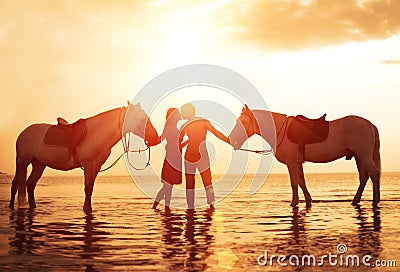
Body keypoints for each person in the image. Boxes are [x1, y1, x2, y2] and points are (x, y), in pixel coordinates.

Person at [179, 103, 230, 211]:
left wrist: (229, 141)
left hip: (198, 156)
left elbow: (178, 143)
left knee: (201, 182)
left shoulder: (195, 123)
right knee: (200, 182)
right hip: (193, 156)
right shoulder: (197, 122)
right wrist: (229, 141)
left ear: (188, 112)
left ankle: (195, 207)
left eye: (182, 111)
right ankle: (204, 206)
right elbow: (216, 133)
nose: (181, 114)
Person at [153, 108, 186, 211]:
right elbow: (160, 139)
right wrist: (150, 142)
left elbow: (177, 146)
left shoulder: (175, 128)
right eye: (177, 113)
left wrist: (187, 142)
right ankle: (157, 206)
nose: (180, 114)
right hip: (171, 160)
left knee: (169, 186)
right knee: (167, 186)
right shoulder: (169, 128)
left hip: (176, 159)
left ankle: (165, 207)